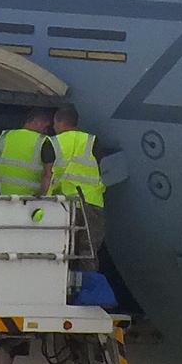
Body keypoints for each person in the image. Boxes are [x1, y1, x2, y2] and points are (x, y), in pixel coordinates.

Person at [50, 103, 107, 268]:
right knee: (88, 252)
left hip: (65, 205)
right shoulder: (92, 141)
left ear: (59, 121)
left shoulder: (53, 142)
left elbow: (48, 173)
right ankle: (87, 291)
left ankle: (62, 289)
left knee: (62, 251)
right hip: (93, 203)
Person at [0, 109, 55, 198]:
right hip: (29, 200)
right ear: (37, 122)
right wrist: (41, 197)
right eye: (45, 127)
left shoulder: (5, 136)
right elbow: (47, 175)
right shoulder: (43, 141)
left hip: (3, 196)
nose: (46, 131)